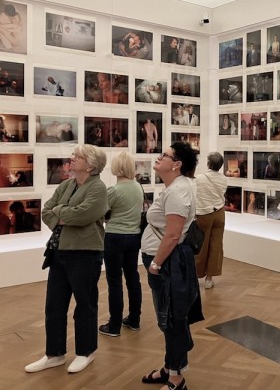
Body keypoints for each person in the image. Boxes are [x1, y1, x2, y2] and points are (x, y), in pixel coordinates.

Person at [25, 145, 108, 374]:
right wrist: (65, 212)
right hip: (59, 250)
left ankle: (85, 352)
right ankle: (54, 354)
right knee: (54, 305)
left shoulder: (98, 188)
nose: (72, 158)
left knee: (85, 305)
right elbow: (46, 211)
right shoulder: (66, 185)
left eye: (77, 156)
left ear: (90, 165)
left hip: (85, 253)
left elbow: (83, 215)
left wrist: (62, 212)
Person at [140, 142, 201, 390]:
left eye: (164, 155)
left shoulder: (177, 191)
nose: (159, 157)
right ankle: (169, 367)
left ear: (176, 164)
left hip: (167, 264)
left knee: (172, 320)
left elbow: (173, 235)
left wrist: (155, 264)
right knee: (169, 318)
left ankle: (176, 378)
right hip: (165, 262)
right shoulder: (175, 187)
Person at [99, 151, 144, 337]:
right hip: (134, 237)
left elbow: (101, 213)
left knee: (115, 281)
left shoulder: (114, 191)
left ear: (117, 168)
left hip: (115, 237)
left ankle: (114, 325)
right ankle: (134, 319)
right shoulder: (138, 187)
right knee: (133, 278)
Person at [194, 152, 227, 289]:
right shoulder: (224, 179)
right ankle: (209, 279)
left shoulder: (199, 178)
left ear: (208, 163)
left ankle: (195, 276)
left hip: (203, 214)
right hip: (219, 213)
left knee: (200, 247)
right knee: (216, 246)